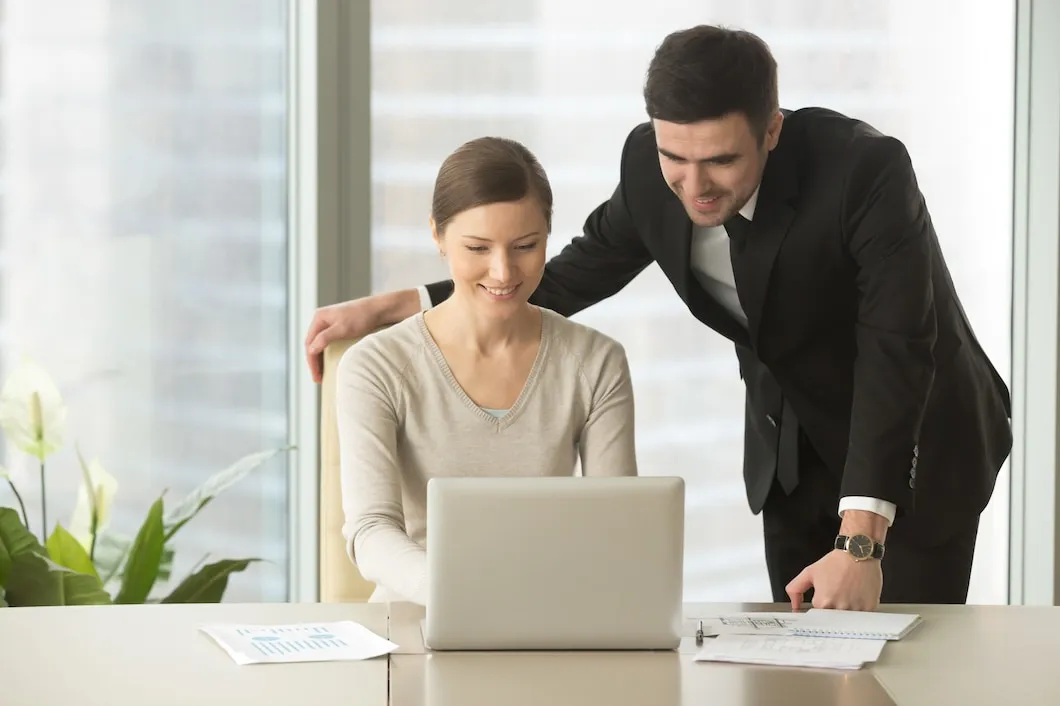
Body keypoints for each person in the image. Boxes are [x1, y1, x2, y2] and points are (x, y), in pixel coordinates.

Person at [312, 25, 1012, 611]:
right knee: (802, 666)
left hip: (916, 445)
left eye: (719, 162)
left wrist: (861, 541)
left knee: (902, 671)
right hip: (794, 453)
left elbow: (898, 348)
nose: (694, 185)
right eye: (674, 156)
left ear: (771, 130)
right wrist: (407, 303)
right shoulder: (652, 172)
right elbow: (566, 273)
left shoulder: (864, 172)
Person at [335, 136, 638, 606]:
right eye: (477, 248)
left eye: (525, 246)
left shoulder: (596, 363)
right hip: (419, 619)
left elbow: (616, 528)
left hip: (548, 620)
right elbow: (370, 530)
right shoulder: (375, 366)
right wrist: (457, 593)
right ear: (437, 235)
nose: (502, 272)